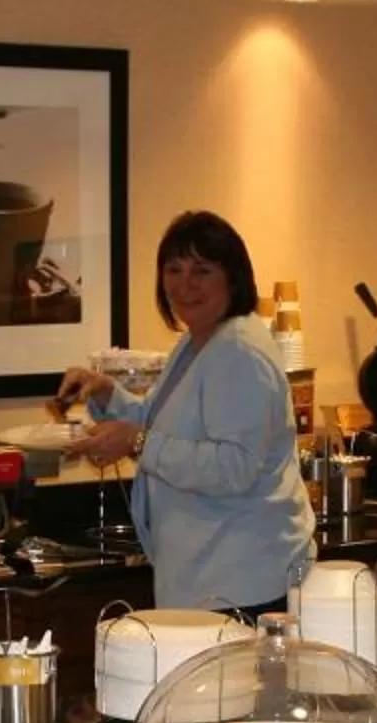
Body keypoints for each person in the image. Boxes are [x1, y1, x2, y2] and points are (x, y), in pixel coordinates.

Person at [55, 210, 313, 616]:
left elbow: (234, 467)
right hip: (207, 576)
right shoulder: (199, 342)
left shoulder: (239, 352)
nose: (184, 285)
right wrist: (106, 393)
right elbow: (161, 422)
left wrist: (137, 442)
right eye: (173, 270)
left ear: (233, 277)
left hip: (243, 581)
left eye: (202, 271)